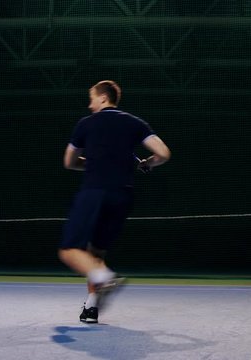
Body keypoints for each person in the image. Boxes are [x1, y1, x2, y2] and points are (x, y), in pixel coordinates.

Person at [59, 80, 171, 323]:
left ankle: (106, 278)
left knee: (69, 251)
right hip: (123, 195)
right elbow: (163, 154)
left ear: (102, 98)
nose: (89, 105)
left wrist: (90, 163)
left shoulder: (86, 123)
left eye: (92, 98)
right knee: (95, 254)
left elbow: (68, 161)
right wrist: (146, 163)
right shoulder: (135, 122)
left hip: (94, 192)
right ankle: (91, 307)